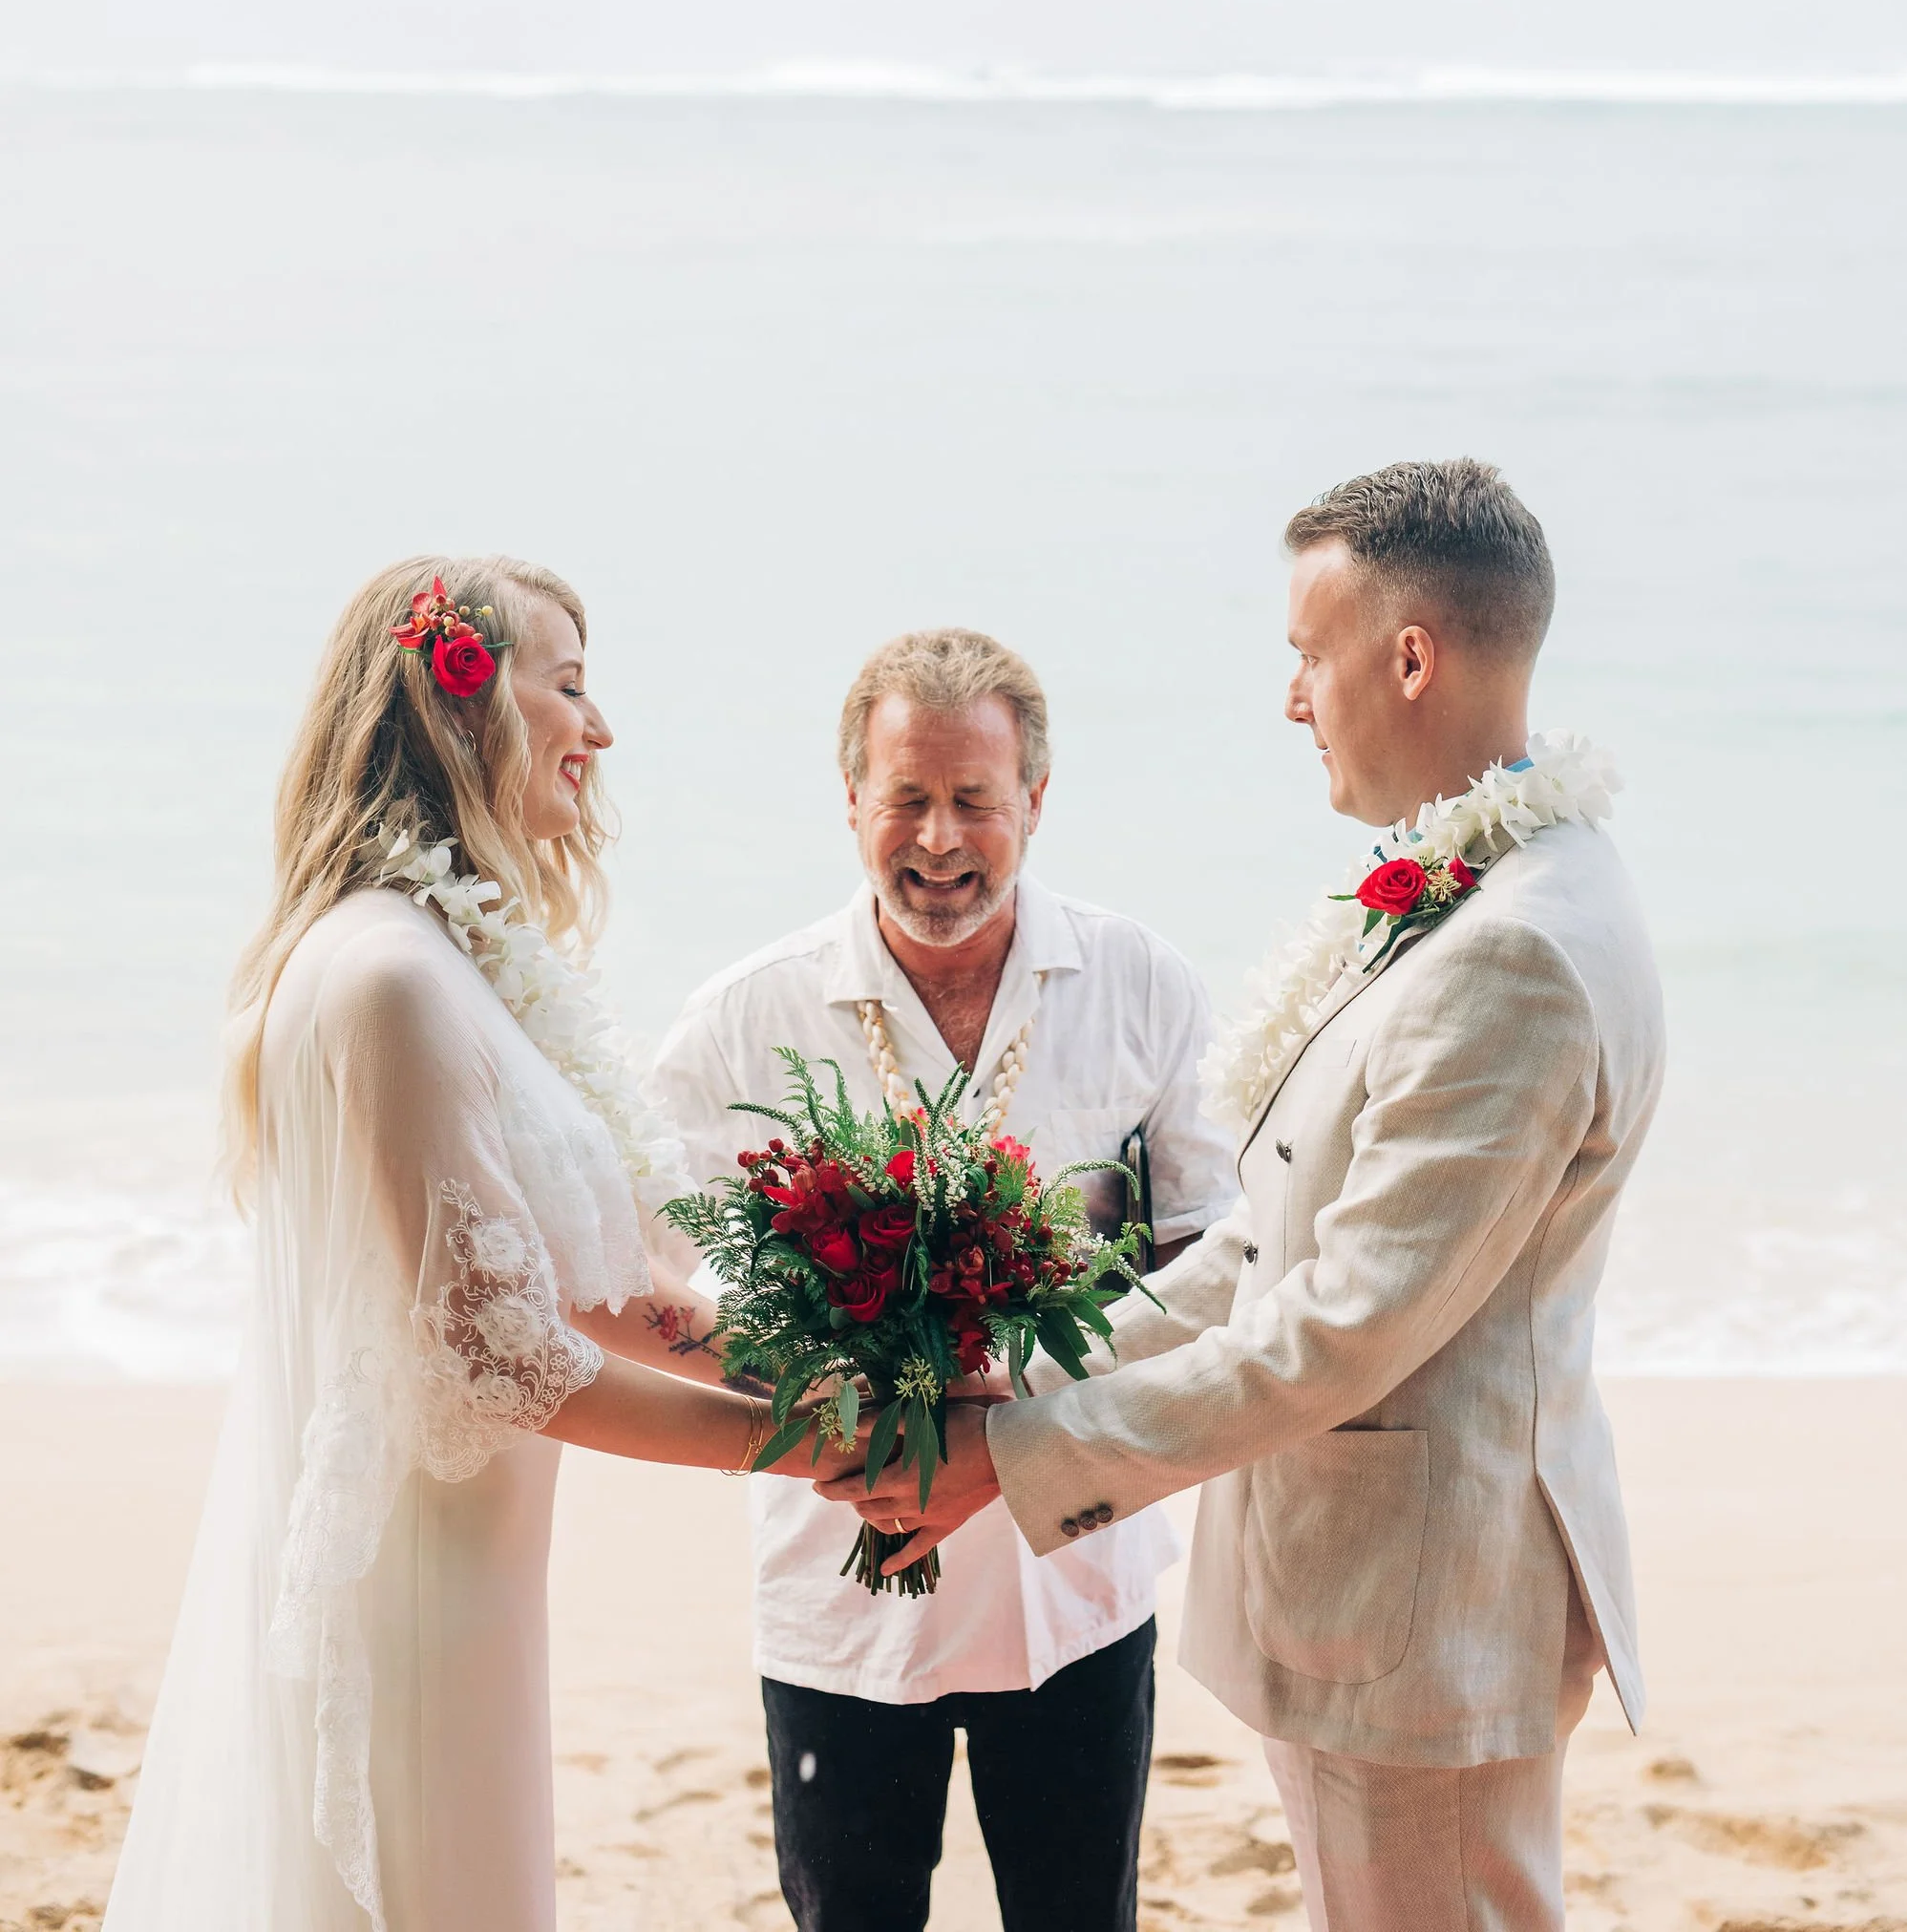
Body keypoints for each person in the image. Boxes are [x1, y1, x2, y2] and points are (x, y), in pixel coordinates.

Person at [828, 466, 1667, 1932]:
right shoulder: (1483, 889)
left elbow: (1341, 1328)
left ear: (1409, 657)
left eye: (1307, 653)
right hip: (1374, 1596)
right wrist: (1014, 1374)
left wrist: (1007, 1462)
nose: (1293, 700)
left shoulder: (1512, 955)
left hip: (1425, 1610)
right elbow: (1272, 1248)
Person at [104, 556, 820, 1932]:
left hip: (474, 1580)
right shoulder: (385, 977)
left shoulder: (448, 966)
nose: (599, 733)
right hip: (410, 1592)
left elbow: (591, 1286)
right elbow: (494, 1359)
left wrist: (829, 1371)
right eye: (570, 686)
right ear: (460, 702)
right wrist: (799, 1447)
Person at [652, 626, 1238, 1932]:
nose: (938, 838)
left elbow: (1221, 1253)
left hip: (1077, 1579)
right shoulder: (746, 1017)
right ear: (849, 799)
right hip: (838, 1586)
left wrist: (1043, 1387)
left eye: (975, 799)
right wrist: (802, 1389)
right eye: (905, 798)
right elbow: (640, 1270)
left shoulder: (1142, 983)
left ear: (1037, 799)